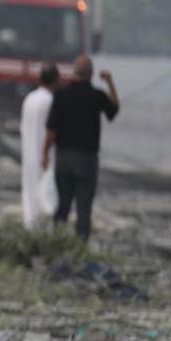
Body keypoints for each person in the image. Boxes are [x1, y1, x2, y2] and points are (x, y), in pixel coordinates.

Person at [42, 55, 119, 242]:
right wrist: (110, 82)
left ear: (74, 72)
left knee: (63, 205)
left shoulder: (61, 94)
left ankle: (56, 242)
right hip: (87, 160)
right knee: (84, 209)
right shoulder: (97, 96)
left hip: (64, 159)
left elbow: (51, 130)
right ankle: (80, 246)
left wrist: (45, 154)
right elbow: (114, 110)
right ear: (91, 74)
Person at [20, 64, 60, 229]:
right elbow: (52, 130)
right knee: (46, 194)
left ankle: (29, 226)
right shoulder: (50, 101)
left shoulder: (29, 99)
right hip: (46, 154)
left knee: (29, 191)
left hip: (29, 152)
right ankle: (44, 230)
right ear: (56, 80)